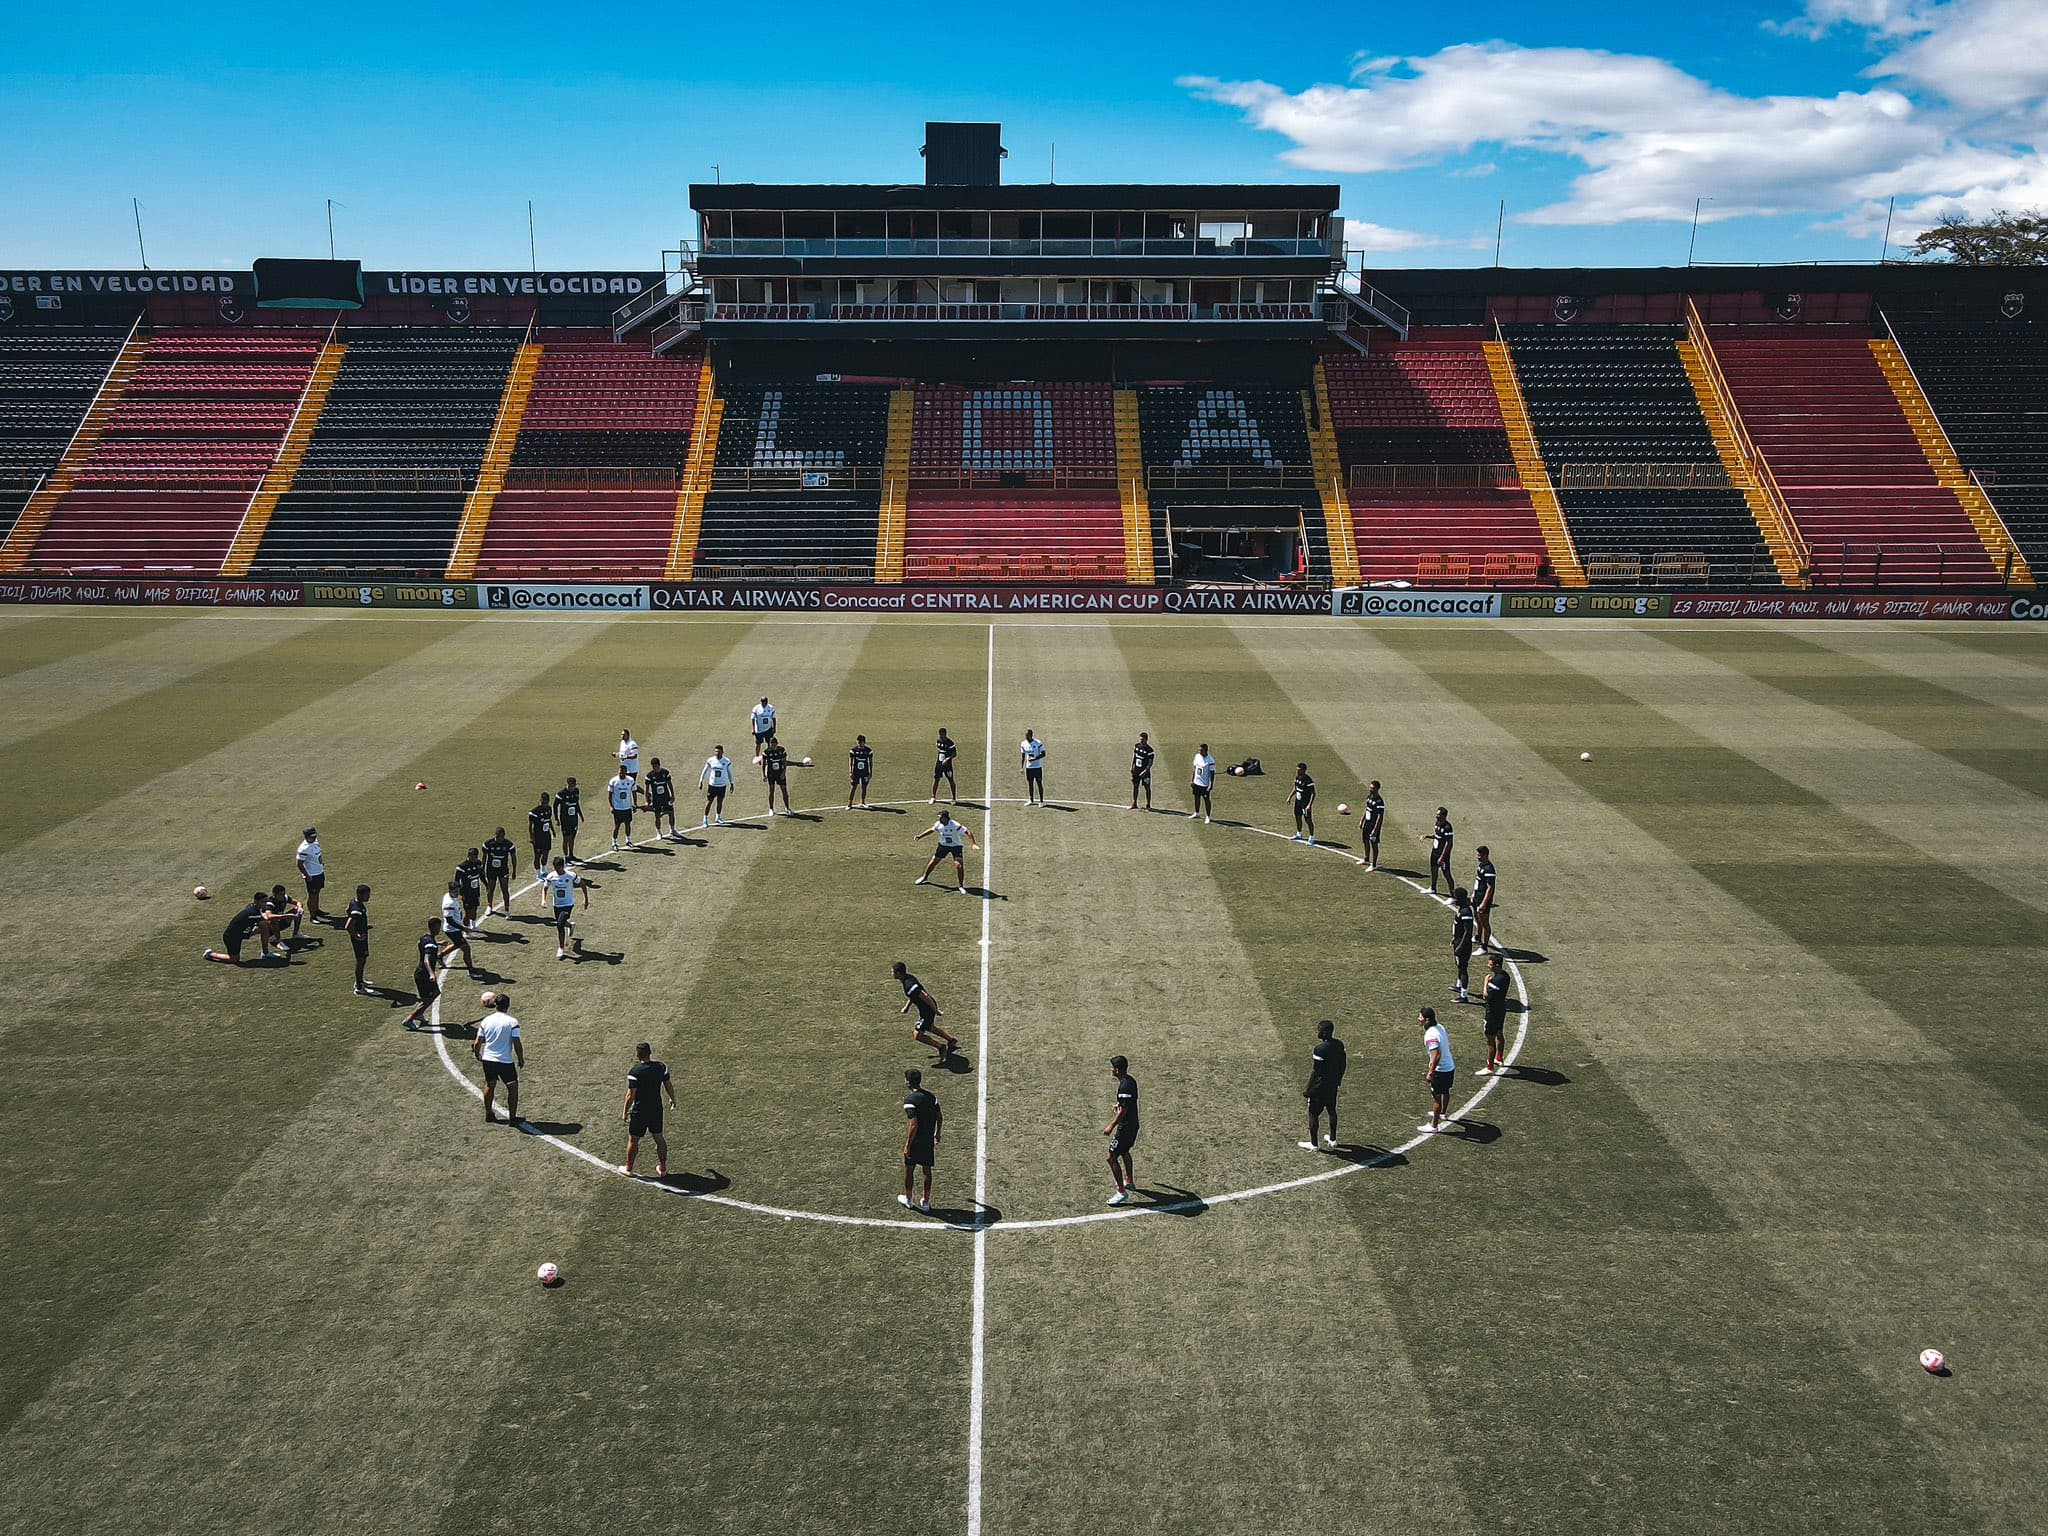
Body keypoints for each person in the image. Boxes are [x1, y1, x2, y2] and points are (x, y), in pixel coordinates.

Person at [619, 1041, 676, 1178]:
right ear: (650, 1053)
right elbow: (668, 1084)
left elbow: (630, 1095)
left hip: (640, 1110)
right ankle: (662, 1168)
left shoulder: (635, 1072)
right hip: (656, 1109)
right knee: (659, 1137)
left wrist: (625, 1111)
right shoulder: (661, 1067)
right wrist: (673, 1098)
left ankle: (629, 1168)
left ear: (638, 1055)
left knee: (633, 1139)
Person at [473, 992, 523, 1126]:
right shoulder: (512, 1022)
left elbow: (478, 1041)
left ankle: (489, 1113)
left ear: (495, 1005)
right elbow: (516, 1042)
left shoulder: (486, 1021)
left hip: (488, 1060)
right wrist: (520, 1058)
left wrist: (477, 1054)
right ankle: (512, 1118)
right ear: (508, 1006)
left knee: (490, 1085)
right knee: (512, 1088)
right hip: (505, 1061)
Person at [893, 961, 959, 1062]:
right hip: (926, 1009)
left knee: (917, 1035)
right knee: (929, 1027)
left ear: (898, 973)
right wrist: (907, 1007)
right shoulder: (908, 978)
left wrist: (936, 1010)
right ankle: (951, 1040)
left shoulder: (908, 984)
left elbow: (925, 996)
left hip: (928, 1009)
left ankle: (941, 1047)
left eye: (893, 972)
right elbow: (913, 996)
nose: (892, 973)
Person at [899, 1068, 942, 1213]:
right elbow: (939, 1116)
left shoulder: (910, 1101)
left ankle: (909, 1199)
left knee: (909, 1169)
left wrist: (907, 1145)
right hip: (927, 1140)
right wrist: (937, 1133)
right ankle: (926, 1202)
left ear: (908, 1082)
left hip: (916, 1141)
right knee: (926, 1170)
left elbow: (913, 1124)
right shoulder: (931, 1097)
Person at [1302, 1019, 1346, 1152]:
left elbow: (1316, 1071)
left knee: (1313, 1113)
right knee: (1331, 1110)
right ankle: (1333, 1139)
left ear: (1325, 1032)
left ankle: (1314, 1144)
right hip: (1332, 1085)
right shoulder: (1339, 1045)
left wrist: (1308, 1089)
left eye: (1319, 1030)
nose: (1318, 1032)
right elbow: (1343, 1064)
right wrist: (1339, 1079)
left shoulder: (1320, 1049)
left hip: (1320, 1087)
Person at [1104, 1055, 1139, 1205]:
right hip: (1133, 1125)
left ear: (1117, 1070)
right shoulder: (1130, 1081)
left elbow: (1124, 1110)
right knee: (1124, 1151)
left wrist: (1111, 1125)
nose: (1111, 1070)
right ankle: (1129, 1181)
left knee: (1111, 1157)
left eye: (1112, 1067)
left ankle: (1121, 1191)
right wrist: (1119, 1106)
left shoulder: (1124, 1086)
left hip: (1125, 1127)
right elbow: (1127, 1104)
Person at [914, 808, 978, 892]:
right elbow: (931, 830)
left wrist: (973, 843)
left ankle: (961, 886)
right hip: (943, 846)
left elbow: (968, 832)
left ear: (946, 818)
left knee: (959, 866)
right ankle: (925, 877)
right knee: (933, 862)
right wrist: (920, 836)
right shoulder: (938, 824)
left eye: (941, 817)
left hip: (956, 846)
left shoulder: (955, 825)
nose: (939, 819)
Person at [203, 892, 274, 965]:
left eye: (266, 901)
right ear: (256, 902)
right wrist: (284, 916)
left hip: (242, 933)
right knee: (234, 959)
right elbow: (266, 919)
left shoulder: (253, 907)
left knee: (265, 927)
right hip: (233, 937)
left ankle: (265, 953)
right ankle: (210, 954)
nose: (265, 904)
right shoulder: (253, 913)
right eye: (263, 902)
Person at [542, 855, 588, 960]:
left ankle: (561, 948)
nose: (557, 870)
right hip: (557, 904)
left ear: (563, 866)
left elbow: (583, 884)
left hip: (568, 904)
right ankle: (571, 925)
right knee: (560, 922)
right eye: (555, 868)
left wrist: (586, 899)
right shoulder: (551, 876)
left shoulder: (571, 875)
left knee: (559, 925)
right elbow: (545, 888)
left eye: (559, 868)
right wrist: (543, 900)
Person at [400, 918, 444, 1030]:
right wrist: (431, 973)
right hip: (424, 976)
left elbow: (424, 945)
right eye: (438, 927)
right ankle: (409, 1019)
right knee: (429, 998)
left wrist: (438, 943)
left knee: (433, 994)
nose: (440, 929)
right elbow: (426, 959)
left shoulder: (425, 938)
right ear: (433, 927)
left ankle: (419, 1015)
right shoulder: (431, 945)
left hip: (420, 974)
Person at [1420, 1006, 1456, 1132]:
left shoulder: (1430, 1035)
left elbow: (1436, 1055)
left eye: (1421, 1017)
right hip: (1450, 1066)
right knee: (1445, 1091)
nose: (1419, 1019)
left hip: (1441, 1070)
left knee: (1436, 1097)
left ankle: (1433, 1125)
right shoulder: (1440, 1027)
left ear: (1427, 1020)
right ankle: (1443, 1113)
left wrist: (1431, 1072)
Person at [1481, 954, 1510, 1076]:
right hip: (1501, 1009)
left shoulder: (1496, 980)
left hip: (1492, 1012)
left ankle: (1490, 1066)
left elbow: (1485, 996)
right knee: (1499, 1033)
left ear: (1496, 965)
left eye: (1490, 964)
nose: (1488, 966)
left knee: (1490, 1039)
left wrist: (1486, 982)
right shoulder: (1505, 976)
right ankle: (1499, 1057)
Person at [440, 880, 476, 972]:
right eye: (456, 892)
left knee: (458, 944)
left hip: (455, 928)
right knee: (466, 948)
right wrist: (463, 928)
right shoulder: (449, 903)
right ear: (450, 890)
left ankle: (439, 957)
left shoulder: (449, 896)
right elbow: (449, 920)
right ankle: (471, 969)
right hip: (452, 930)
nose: (457, 893)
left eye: (458, 891)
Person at [344, 883, 372, 995]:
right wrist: (357, 936)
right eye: (367, 895)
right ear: (360, 894)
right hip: (359, 940)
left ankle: (360, 981)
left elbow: (347, 911)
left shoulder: (354, 903)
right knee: (360, 960)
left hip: (362, 937)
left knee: (363, 959)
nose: (368, 897)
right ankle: (359, 986)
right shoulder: (357, 909)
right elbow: (348, 926)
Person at [482, 827, 517, 917]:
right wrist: (482, 869)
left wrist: (514, 870)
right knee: (490, 889)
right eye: (498, 836)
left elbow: (513, 857)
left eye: (501, 837)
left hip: (503, 870)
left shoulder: (508, 844)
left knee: (504, 889)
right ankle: (489, 906)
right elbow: (484, 857)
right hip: (491, 870)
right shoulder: (488, 844)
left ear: (504, 836)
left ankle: (507, 909)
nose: (499, 839)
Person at [295, 827, 326, 923]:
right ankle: (312, 917)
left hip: (319, 872)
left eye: (315, 836)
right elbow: (299, 864)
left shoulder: (315, 842)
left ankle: (316, 910)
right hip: (312, 875)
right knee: (312, 895)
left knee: (317, 893)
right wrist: (307, 875)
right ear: (306, 837)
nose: (314, 838)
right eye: (312, 836)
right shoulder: (304, 848)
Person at [261, 884, 305, 952]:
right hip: (270, 928)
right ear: (274, 895)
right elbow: (269, 916)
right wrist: (287, 916)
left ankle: (296, 934)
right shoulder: (270, 903)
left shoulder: (285, 898)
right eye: (281, 894)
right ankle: (278, 941)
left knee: (297, 910)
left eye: (284, 893)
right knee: (274, 920)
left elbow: (298, 902)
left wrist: (299, 908)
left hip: (280, 922)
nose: (283, 895)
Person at [1450, 887, 1476, 1004]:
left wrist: (1460, 946)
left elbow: (1468, 932)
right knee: (1459, 966)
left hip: (1463, 945)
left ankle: (1464, 995)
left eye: (1455, 897)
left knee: (1463, 968)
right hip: (1459, 942)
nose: (1454, 900)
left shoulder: (1466, 912)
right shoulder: (1462, 910)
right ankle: (1459, 985)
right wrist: (1454, 939)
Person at [645, 757, 679, 839]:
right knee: (657, 815)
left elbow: (669, 784)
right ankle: (658, 832)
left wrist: (673, 795)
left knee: (671, 813)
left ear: (659, 765)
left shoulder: (665, 773)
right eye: (653, 766)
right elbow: (646, 789)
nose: (654, 768)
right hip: (656, 799)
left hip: (666, 797)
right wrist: (646, 801)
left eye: (655, 766)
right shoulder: (649, 775)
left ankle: (672, 829)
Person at [700, 745, 734, 828]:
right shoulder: (711, 760)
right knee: (709, 802)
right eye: (715, 752)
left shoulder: (726, 761)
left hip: (722, 785)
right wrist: (701, 781)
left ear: (722, 752)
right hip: (712, 785)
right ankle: (705, 819)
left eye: (718, 752)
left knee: (720, 801)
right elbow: (704, 771)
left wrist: (732, 783)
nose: (717, 753)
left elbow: (730, 772)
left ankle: (718, 817)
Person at [1472, 845, 1498, 952]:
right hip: (1477, 896)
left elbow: (1490, 887)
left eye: (1479, 855)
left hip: (1483, 898)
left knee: (1484, 922)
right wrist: (1473, 893)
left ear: (1485, 855)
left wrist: (1484, 903)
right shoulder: (1481, 866)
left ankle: (1484, 947)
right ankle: (1478, 937)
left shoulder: (1489, 869)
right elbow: (1477, 881)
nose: (1477, 857)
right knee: (1477, 917)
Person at [606, 767, 638, 851]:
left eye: (623, 772)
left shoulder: (630, 780)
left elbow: (634, 792)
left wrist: (634, 804)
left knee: (628, 824)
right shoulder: (613, 781)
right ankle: (614, 842)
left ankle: (628, 840)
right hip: (618, 808)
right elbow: (609, 795)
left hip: (627, 807)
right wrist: (611, 806)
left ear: (626, 772)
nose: (621, 774)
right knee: (617, 826)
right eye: (620, 772)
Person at [554, 777, 584, 864]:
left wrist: (580, 814)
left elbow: (576, 804)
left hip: (574, 819)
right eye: (572, 785)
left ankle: (571, 855)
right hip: (565, 819)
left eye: (574, 785)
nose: (573, 787)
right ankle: (566, 857)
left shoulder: (576, 791)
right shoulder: (561, 794)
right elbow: (555, 806)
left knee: (573, 837)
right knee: (566, 838)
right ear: (568, 784)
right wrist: (556, 819)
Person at [761, 734, 792, 816]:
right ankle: (771, 809)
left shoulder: (782, 750)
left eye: (774, 744)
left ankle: (787, 808)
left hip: (780, 773)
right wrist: (764, 774)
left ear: (777, 743)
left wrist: (783, 773)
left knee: (784, 790)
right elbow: (763, 764)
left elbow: (784, 762)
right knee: (771, 791)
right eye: (771, 744)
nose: (773, 745)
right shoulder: (766, 752)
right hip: (771, 774)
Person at [1425, 807, 1454, 894]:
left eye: (1438, 814)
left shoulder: (1447, 827)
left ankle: (1453, 895)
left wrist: (1442, 857)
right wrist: (1427, 836)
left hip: (1443, 854)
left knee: (1447, 874)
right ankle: (1433, 888)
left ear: (1443, 816)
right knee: (1433, 870)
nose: (1436, 816)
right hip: (1435, 851)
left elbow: (1449, 843)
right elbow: (1437, 835)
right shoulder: (1437, 823)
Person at [454, 848, 485, 926]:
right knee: (468, 912)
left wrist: (487, 885)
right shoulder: (462, 867)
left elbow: (482, 876)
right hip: (466, 892)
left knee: (475, 909)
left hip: (476, 891)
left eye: (475, 856)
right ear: (469, 856)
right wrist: (460, 893)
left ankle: (473, 926)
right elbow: (457, 881)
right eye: (472, 856)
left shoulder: (478, 864)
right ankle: (465, 929)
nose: (474, 858)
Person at [1288, 763, 1317, 845]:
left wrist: (1309, 805)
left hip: (1305, 803)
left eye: (1299, 770)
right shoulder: (1297, 777)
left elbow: (1313, 793)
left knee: (1308, 819)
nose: (1297, 771)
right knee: (1297, 816)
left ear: (1304, 770)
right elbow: (1296, 787)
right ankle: (1299, 833)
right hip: (1298, 801)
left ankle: (1311, 837)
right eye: (1297, 770)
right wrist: (1290, 797)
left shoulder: (1308, 780)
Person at [527, 792, 554, 876]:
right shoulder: (534, 812)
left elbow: (549, 820)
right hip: (538, 836)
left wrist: (552, 830)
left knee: (546, 853)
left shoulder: (549, 809)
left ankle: (544, 870)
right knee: (537, 855)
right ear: (541, 800)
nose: (545, 803)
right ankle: (538, 874)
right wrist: (531, 837)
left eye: (547, 801)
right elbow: (530, 825)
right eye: (544, 801)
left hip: (546, 835)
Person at [1360, 781, 1385, 871]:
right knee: (1365, 840)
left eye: (1373, 788)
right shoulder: (1369, 797)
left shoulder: (1379, 802)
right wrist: (1362, 820)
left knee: (1374, 844)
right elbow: (1367, 809)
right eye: (1370, 787)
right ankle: (1366, 859)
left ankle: (1374, 864)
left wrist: (1375, 829)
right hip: (1367, 822)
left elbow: (1380, 816)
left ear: (1377, 789)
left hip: (1373, 825)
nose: (1371, 789)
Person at [931, 727, 959, 805]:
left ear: (945, 734)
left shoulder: (950, 743)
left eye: (943, 734)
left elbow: (954, 754)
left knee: (951, 780)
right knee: (936, 780)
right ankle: (933, 796)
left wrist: (948, 759)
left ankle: (953, 798)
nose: (941, 736)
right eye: (940, 734)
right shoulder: (938, 741)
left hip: (948, 765)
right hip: (939, 764)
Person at [1129, 731, 1155, 811]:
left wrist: (1145, 771)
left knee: (1147, 787)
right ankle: (1134, 803)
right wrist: (1132, 766)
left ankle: (1148, 804)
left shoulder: (1150, 750)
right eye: (1140, 739)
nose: (1141, 741)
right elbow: (1135, 757)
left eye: (1142, 739)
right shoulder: (1137, 746)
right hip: (1136, 770)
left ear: (1146, 740)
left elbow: (1150, 763)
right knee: (1135, 786)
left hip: (1145, 772)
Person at [1190, 742, 1216, 822]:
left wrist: (1210, 784)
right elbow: (1195, 768)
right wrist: (1192, 780)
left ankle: (1208, 816)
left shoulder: (1210, 760)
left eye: (1201, 750)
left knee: (1206, 799)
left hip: (1205, 784)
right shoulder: (1197, 756)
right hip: (1197, 782)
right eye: (1199, 750)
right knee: (1196, 797)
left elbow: (1212, 773)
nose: (1199, 752)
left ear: (1206, 751)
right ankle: (1197, 812)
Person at [1019, 729, 1046, 806]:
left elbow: (1043, 754)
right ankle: (1031, 799)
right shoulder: (1023, 744)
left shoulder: (1038, 743)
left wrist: (1035, 759)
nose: (1026, 737)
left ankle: (1041, 801)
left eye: (1027, 736)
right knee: (1030, 784)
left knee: (1039, 783)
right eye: (1026, 736)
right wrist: (1022, 767)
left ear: (1031, 735)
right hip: (1029, 768)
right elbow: (1023, 756)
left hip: (1037, 767)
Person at [848, 734, 874, 810]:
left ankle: (862, 802)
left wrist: (870, 773)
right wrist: (850, 772)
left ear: (864, 742)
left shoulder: (868, 751)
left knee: (864, 787)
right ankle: (849, 803)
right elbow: (851, 762)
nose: (859, 744)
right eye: (858, 742)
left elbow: (870, 763)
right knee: (854, 787)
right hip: (856, 772)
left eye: (861, 742)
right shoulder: (853, 751)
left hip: (865, 772)